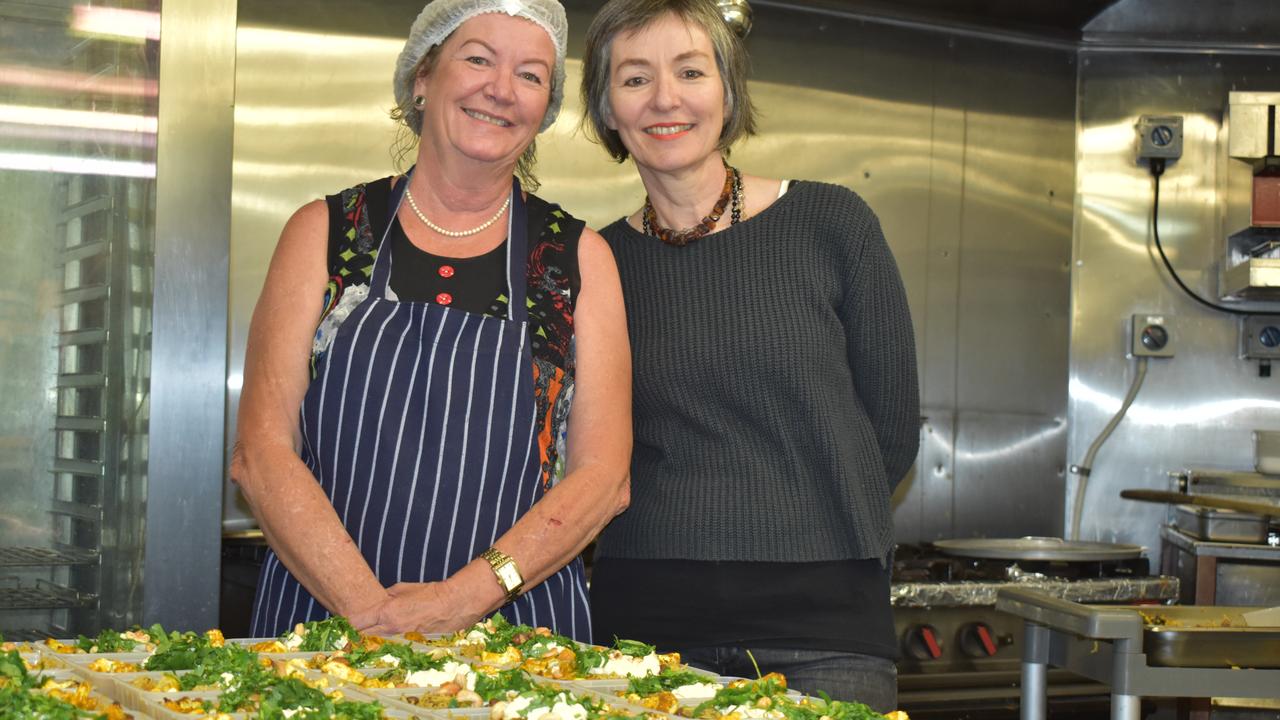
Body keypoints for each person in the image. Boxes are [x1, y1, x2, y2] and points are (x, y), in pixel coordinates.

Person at [231, 0, 630, 641]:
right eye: (478, 59)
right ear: (422, 77)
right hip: (325, 623)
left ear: (544, 110)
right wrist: (373, 613)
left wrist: (461, 599)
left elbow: (602, 477)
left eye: (530, 75)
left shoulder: (578, 259)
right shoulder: (326, 234)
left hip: (516, 635)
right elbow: (262, 453)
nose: (501, 90)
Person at [579, 0, 919, 712]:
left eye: (691, 72)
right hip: (646, 633)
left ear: (728, 94)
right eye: (635, 78)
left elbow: (891, 429)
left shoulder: (832, 224)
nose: (665, 99)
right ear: (608, 109)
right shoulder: (597, 261)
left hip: (824, 629)